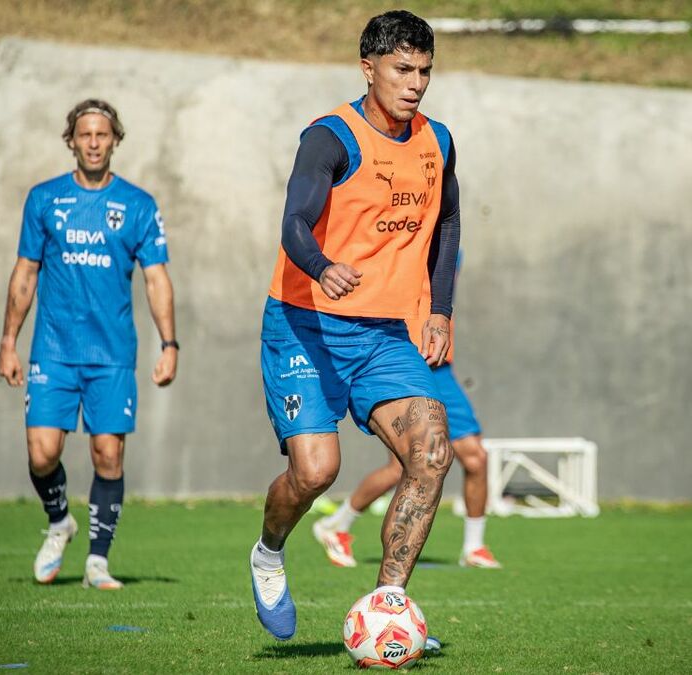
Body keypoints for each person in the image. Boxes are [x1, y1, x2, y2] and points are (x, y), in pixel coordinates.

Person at [251, 10, 461, 641]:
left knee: (431, 449)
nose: (416, 82)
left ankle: (388, 603)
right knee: (316, 472)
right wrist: (320, 265)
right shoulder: (330, 138)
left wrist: (441, 309)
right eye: (403, 68)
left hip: (382, 336)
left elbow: (448, 227)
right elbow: (294, 220)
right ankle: (267, 551)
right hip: (304, 325)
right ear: (368, 68)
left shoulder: (439, 140)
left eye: (425, 70)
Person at [0, 99, 179, 590]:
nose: (94, 143)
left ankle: (97, 560)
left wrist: (170, 343)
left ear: (115, 139)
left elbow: (157, 279)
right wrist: (9, 341)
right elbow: (25, 273)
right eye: (85, 135)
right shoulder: (44, 199)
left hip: (112, 355)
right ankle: (60, 522)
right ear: (71, 141)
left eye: (102, 135)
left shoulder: (138, 205)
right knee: (41, 453)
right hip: (52, 349)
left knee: (108, 456)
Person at [313, 259, 502, 569]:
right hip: (405, 359)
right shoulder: (402, 232)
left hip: (440, 365)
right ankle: (338, 524)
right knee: (402, 466)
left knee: (475, 457)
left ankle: (474, 546)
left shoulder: (447, 235)